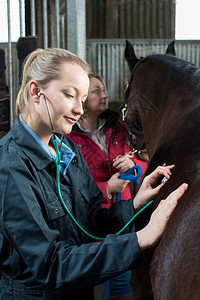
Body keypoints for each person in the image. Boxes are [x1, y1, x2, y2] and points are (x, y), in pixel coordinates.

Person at [0, 47, 188, 300]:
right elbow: (51, 264)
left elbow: (91, 221)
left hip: (79, 290)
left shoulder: (67, 148)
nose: (79, 109)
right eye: (70, 95)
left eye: (83, 98)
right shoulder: (10, 166)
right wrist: (141, 238)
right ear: (36, 91)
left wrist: (134, 204)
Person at [67, 73, 148, 299]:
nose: (105, 95)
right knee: (91, 283)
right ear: (82, 98)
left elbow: (141, 162)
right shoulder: (69, 136)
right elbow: (68, 185)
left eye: (104, 90)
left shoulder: (118, 127)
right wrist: (106, 188)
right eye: (96, 91)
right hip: (89, 221)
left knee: (122, 280)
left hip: (121, 216)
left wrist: (133, 164)